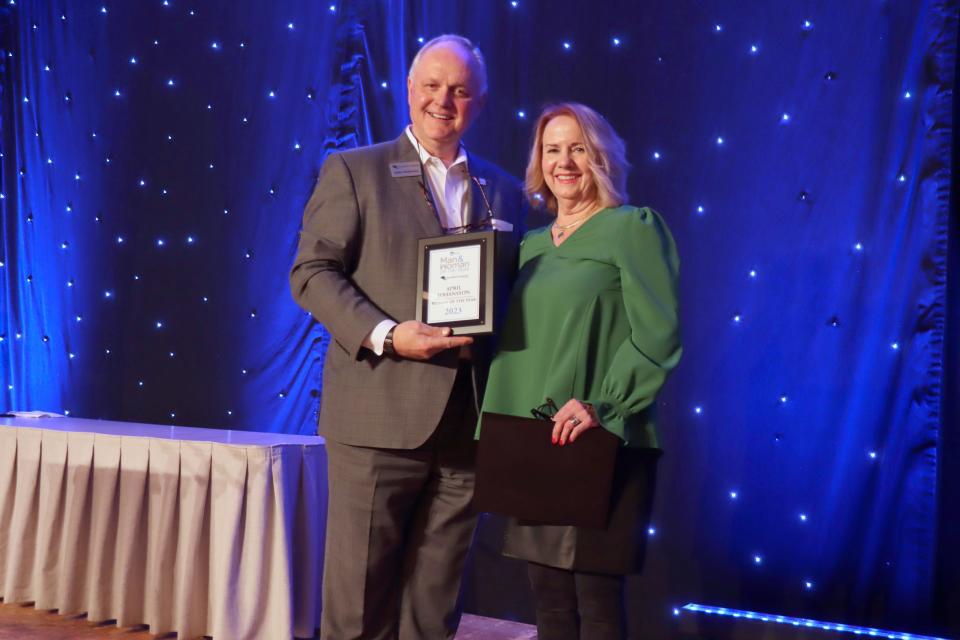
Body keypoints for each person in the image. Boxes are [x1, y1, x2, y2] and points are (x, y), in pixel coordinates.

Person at [290, 35, 527, 640]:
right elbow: (311, 273)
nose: (443, 100)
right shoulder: (355, 169)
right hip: (377, 418)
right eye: (432, 85)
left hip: (467, 427)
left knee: (435, 607)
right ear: (409, 88)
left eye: (460, 90)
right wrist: (391, 335)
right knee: (358, 605)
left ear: (479, 101)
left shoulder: (502, 190)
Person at [479, 102, 682, 639]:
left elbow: (657, 333)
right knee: (547, 603)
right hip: (534, 443)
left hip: (600, 437)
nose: (563, 162)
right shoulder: (530, 246)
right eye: (552, 149)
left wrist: (604, 404)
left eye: (578, 149)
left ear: (602, 158)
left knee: (595, 603)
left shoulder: (632, 228)